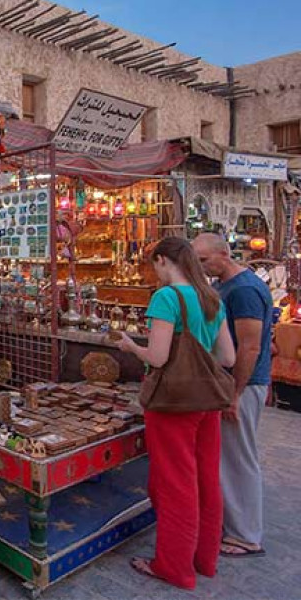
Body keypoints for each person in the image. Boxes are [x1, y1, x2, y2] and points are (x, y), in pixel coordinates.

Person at [114, 236, 236, 590]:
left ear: (165, 260)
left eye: (155, 265)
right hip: (207, 403)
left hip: (173, 405)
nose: (155, 272)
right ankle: (204, 560)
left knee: (175, 484)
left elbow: (158, 357)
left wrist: (130, 347)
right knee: (206, 480)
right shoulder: (211, 298)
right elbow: (227, 358)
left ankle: (174, 567)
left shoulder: (166, 298)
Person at [193, 232, 272, 559]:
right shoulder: (229, 285)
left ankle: (245, 536)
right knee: (229, 457)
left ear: (224, 254)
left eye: (204, 260)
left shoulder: (244, 290)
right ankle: (235, 526)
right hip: (234, 383)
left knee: (239, 458)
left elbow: (250, 346)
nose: (201, 266)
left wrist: (235, 393)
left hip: (243, 384)